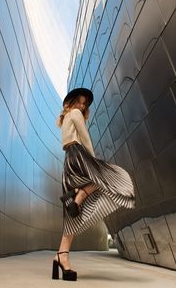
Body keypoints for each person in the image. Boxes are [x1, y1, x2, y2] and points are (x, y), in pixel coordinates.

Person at [52, 87, 136, 281]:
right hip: (79, 155)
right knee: (113, 177)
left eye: (85, 104)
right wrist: (94, 161)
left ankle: (61, 255)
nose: (82, 106)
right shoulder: (74, 113)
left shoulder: (65, 118)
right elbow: (84, 137)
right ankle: (80, 195)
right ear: (72, 102)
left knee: (73, 216)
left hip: (69, 161)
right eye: (80, 102)